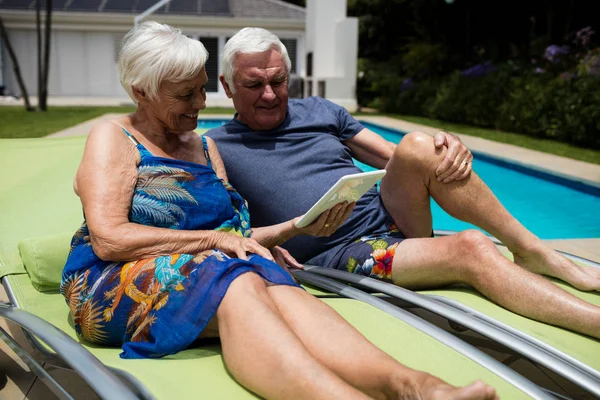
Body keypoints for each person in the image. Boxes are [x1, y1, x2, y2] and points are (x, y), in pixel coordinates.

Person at [60, 22, 497, 400]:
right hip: (115, 280)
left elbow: (234, 231)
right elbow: (110, 237)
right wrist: (217, 241)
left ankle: (414, 387)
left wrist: (290, 231)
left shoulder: (204, 145)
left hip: (211, 264)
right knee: (240, 282)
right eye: (185, 95)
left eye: (201, 88)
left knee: (282, 285)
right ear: (141, 91)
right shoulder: (112, 137)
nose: (200, 102)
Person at [206, 27, 600, 340]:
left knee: (418, 144)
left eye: (278, 81)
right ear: (227, 86)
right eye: (254, 85)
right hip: (343, 251)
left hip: (395, 216)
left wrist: (446, 149)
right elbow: (220, 230)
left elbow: (397, 157)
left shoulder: (320, 110)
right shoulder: (216, 147)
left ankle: (529, 248)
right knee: (471, 247)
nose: (271, 95)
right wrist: (268, 244)